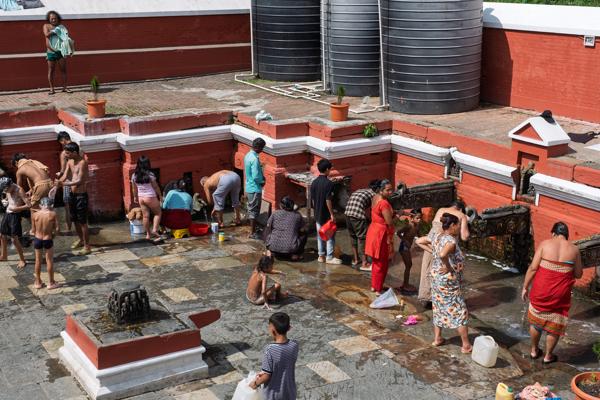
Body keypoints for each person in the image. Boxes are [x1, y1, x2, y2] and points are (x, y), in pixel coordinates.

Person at [522, 222, 582, 364]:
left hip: (540, 291)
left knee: (536, 322)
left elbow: (532, 268)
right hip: (560, 295)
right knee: (553, 327)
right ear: (566, 236)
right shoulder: (574, 250)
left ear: (553, 233)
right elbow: (579, 274)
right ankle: (548, 356)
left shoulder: (545, 244)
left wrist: (525, 286)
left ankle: (534, 350)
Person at [416, 213, 472, 353]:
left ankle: (437, 339)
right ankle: (466, 345)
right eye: (458, 225)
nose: (459, 227)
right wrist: (446, 265)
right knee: (460, 311)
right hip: (447, 280)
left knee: (438, 305)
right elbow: (442, 255)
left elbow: (419, 241)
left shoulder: (437, 235)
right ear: (452, 226)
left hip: (435, 278)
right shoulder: (451, 242)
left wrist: (433, 250)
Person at [418, 201, 470, 305]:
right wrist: (466, 220)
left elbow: (419, 240)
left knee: (428, 270)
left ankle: (427, 297)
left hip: (432, 242)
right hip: (445, 246)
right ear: (460, 209)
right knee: (446, 273)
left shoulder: (441, 210)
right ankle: (444, 302)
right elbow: (465, 237)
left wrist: (433, 251)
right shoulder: (461, 215)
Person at [249, 312, 299, 400]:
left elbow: (266, 376)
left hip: (274, 395)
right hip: (290, 391)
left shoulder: (270, 349)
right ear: (289, 328)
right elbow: (283, 365)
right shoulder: (294, 345)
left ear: (273, 330)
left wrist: (255, 384)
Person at [57, 142, 91, 255]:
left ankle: (87, 246)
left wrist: (65, 184)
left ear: (74, 152)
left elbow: (80, 180)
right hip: (72, 195)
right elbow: (65, 175)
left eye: (67, 153)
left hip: (81, 195)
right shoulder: (69, 161)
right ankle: (81, 240)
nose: (65, 155)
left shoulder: (83, 163)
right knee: (74, 219)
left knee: (83, 222)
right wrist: (58, 182)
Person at [364, 180, 395, 295]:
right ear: (381, 190)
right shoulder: (384, 203)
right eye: (388, 190)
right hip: (381, 234)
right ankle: (378, 289)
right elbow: (389, 222)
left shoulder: (375, 197)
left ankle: (374, 286)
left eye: (391, 189)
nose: (390, 192)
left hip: (373, 230)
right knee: (382, 262)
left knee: (376, 261)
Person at [310, 159, 342, 265]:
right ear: (327, 169)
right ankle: (329, 257)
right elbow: (328, 199)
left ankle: (321, 255)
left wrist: (316, 210)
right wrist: (332, 214)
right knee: (329, 235)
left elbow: (313, 200)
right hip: (326, 214)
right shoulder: (329, 184)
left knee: (320, 235)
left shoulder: (314, 183)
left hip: (318, 213)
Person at [345, 179, 380, 271]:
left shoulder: (359, 190)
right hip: (357, 216)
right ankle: (364, 263)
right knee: (362, 238)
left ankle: (356, 259)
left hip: (347, 214)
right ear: (378, 189)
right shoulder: (374, 195)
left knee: (353, 237)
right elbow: (374, 210)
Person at [130, 156, 162, 241]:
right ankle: (155, 230)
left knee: (145, 217)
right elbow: (155, 187)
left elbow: (134, 188)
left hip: (141, 198)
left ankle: (148, 234)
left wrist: (135, 197)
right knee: (158, 213)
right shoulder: (150, 175)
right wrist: (160, 196)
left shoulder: (134, 175)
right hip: (150, 197)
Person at [265, 196, 306, 261]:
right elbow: (303, 229)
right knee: (304, 233)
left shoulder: (275, 213)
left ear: (281, 205)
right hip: (290, 249)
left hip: (273, 247)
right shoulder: (297, 215)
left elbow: (268, 227)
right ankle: (296, 254)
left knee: (268, 229)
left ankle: (269, 251)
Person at [0, 177, 29, 269]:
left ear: (11, 184)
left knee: (14, 239)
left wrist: (17, 209)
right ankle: (4, 255)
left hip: (15, 215)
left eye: (6, 188)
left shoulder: (19, 190)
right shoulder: (7, 189)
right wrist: (6, 201)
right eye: (4, 189)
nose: (5, 190)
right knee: (2, 235)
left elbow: (29, 204)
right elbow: (9, 198)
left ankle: (22, 260)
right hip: (8, 213)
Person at [31, 197, 59, 290]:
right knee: (49, 261)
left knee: (38, 261)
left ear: (40, 205)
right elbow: (57, 229)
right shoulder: (53, 214)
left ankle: (38, 282)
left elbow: (33, 230)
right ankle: (51, 283)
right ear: (51, 205)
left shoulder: (35, 215)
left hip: (37, 239)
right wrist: (53, 234)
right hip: (48, 239)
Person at [43, 10, 73, 95]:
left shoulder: (61, 26)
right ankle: (52, 89)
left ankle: (65, 87)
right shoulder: (46, 26)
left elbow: (66, 37)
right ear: (49, 19)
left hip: (61, 51)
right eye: (52, 19)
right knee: (51, 70)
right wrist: (55, 31)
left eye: (55, 18)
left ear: (58, 19)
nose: (53, 20)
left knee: (63, 70)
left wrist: (69, 49)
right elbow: (46, 34)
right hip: (50, 52)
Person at [396, 209, 423, 293]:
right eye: (417, 218)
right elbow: (398, 233)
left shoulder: (417, 227)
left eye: (420, 218)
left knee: (409, 265)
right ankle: (405, 285)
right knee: (408, 265)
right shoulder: (409, 226)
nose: (419, 220)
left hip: (407, 248)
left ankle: (405, 284)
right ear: (411, 218)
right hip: (403, 247)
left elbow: (419, 236)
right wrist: (405, 240)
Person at [244, 138, 266, 239]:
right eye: (262, 148)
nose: (262, 150)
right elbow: (256, 176)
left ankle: (253, 228)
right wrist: (262, 181)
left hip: (249, 186)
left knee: (251, 208)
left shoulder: (248, 155)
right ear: (258, 148)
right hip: (255, 187)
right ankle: (252, 232)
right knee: (254, 210)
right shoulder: (254, 159)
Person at [56, 131, 73, 231]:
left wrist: (59, 176)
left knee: (67, 207)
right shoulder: (77, 148)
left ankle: (69, 228)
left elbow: (63, 170)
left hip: (67, 182)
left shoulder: (64, 153)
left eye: (61, 142)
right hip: (78, 181)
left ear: (63, 140)